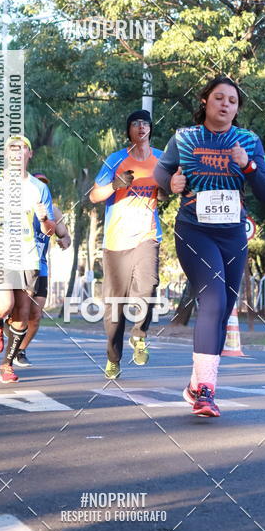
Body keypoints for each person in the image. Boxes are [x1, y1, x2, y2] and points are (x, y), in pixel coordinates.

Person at [154, 75, 265, 417]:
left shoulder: (249, 141)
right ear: (205, 101)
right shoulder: (185, 138)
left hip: (232, 233)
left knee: (222, 309)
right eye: (219, 97)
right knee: (213, 300)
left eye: (232, 101)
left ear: (237, 109)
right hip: (195, 230)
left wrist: (247, 165)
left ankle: (196, 384)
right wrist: (171, 182)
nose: (225, 104)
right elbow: (160, 173)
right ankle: (207, 391)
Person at [0, 136, 55, 383]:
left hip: (28, 258)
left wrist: (44, 219)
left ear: (30, 154)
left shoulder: (39, 189)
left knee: (22, 314)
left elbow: (50, 230)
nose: (17, 153)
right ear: (6, 155)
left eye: (22, 148)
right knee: (5, 304)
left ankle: (6, 365)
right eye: (12, 149)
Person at [90, 109, 164, 379]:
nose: (141, 127)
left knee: (149, 285)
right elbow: (94, 195)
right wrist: (115, 184)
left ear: (150, 128)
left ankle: (139, 335)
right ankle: (113, 358)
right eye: (135, 124)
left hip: (147, 236)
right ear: (129, 131)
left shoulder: (161, 159)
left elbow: (168, 189)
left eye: (145, 123)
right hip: (116, 241)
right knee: (115, 306)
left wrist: (166, 191)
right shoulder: (116, 160)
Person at [14, 172, 72, 368]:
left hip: (41, 268)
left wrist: (64, 240)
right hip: (19, 266)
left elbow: (65, 236)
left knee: (36, 316)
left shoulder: (53, 211)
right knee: (17, 312)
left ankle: (20, 350)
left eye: (44, 185)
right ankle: (7, 333)